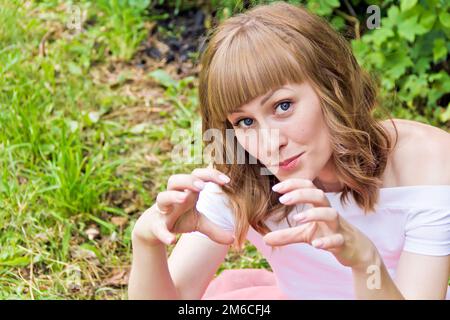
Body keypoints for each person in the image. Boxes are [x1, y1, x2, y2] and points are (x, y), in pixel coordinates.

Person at [128, 2, 450, 299]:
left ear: (332, 87)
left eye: (283, 106)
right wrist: (147, 241)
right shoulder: (245, 176)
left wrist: (365, 260)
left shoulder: (428, 163)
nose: (269, 142)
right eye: (244, 121)